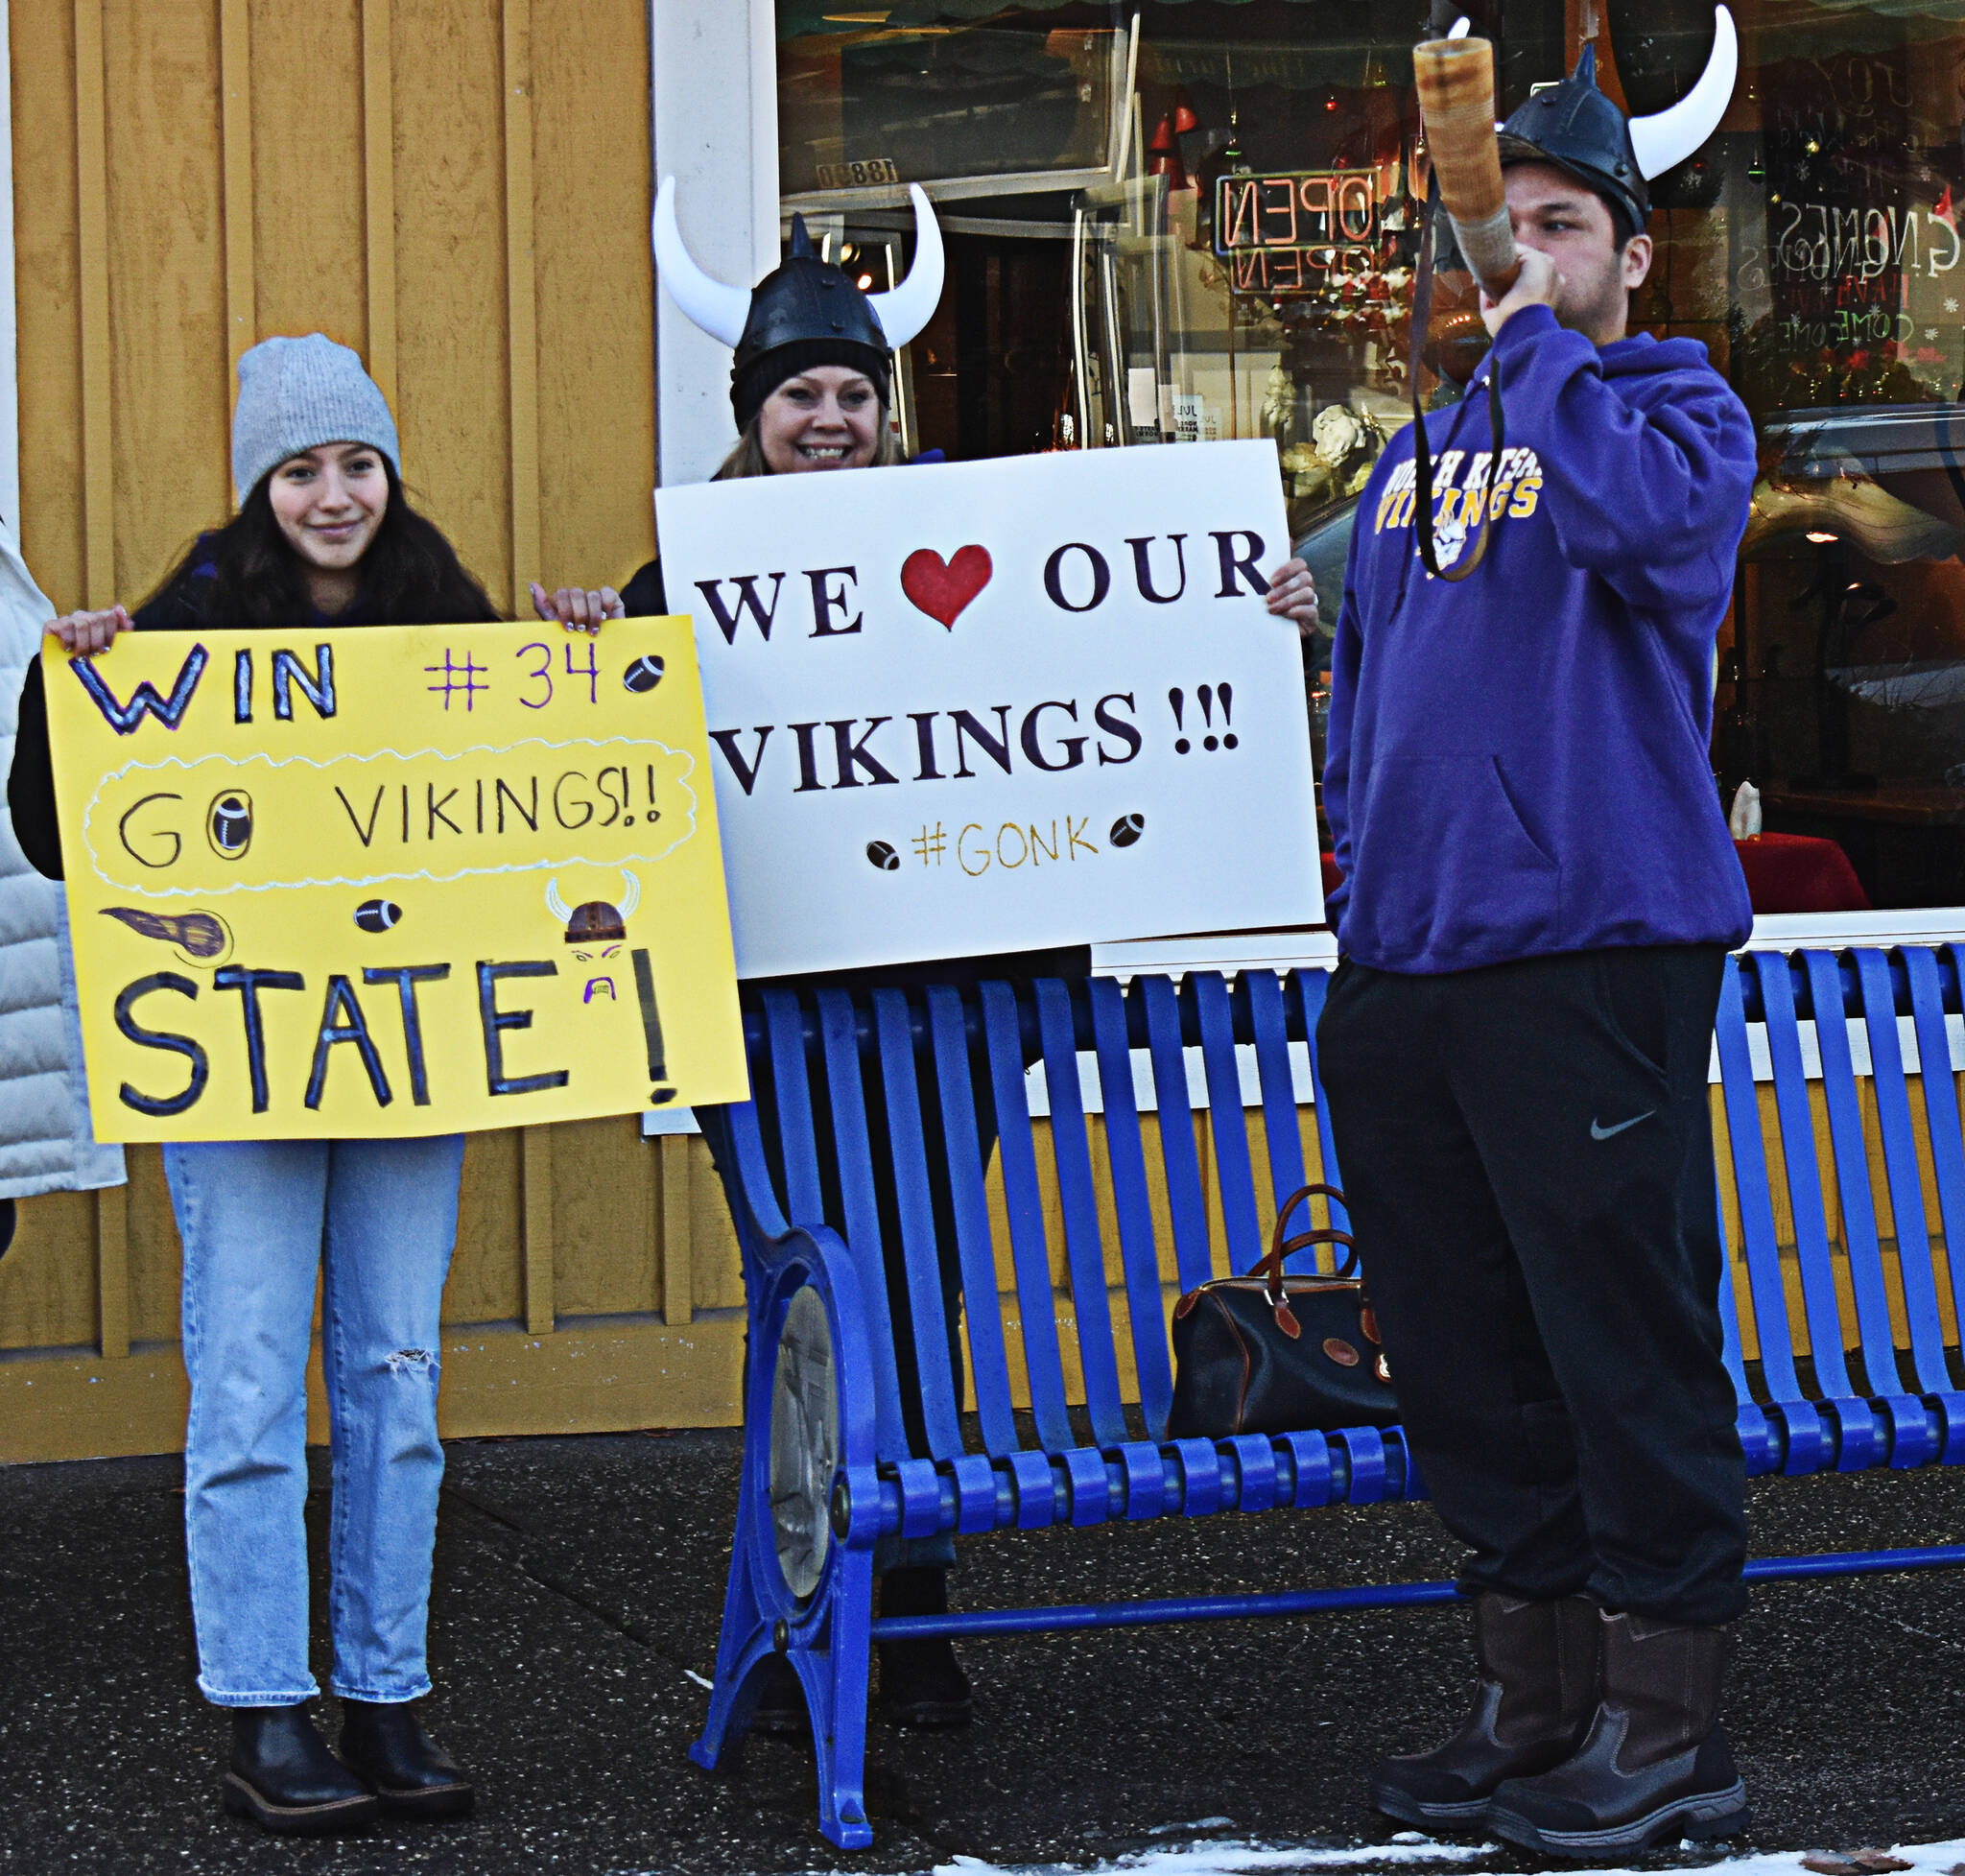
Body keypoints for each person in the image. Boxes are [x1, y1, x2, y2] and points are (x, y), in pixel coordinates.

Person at [532, 183, 1321, 1735]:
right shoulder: (678, 584)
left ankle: (913, 1624)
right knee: (805, 1316)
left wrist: (1264, 610)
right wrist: (583, 666)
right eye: (799, 396)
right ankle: (812, 1615)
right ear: (750, 413)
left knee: (919, 1305)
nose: (828, 419)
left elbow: (1123, 696)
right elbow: (604, 793)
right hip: (775, 1034)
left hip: (947, 1023)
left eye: (850, 393)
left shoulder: (986, 550)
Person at [1312, 38, 1757, 1861]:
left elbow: (1647, 532)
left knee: (1619, 1336)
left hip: (1587, 955)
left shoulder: (1676, 417)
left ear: (1630, 256)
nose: (1525, 259)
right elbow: (1386, 698)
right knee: (1465, 1349)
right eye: (1504, 233)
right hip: (1410, 970)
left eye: (1560, 229)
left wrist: (1530, 338)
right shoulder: (1422, 461)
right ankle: (1537, 1705)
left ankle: (1670, 1729)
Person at [8, 334, 503, 1838]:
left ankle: (386, 1693)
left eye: (357, 463)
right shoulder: (195, 611)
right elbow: (51, 827)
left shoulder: (446, 611)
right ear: (259, 484)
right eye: (302, 468)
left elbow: (546, 783)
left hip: (409, 1061)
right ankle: (261, 1708)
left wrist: (577, 645)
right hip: (239, 1067)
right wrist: (66, 692)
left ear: (388, 473)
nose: (334, 494)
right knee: (244, 1385)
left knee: (398, 1382)